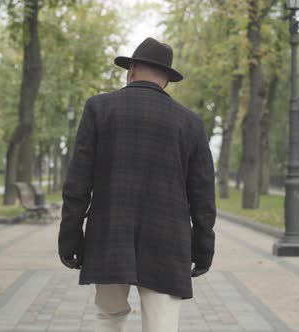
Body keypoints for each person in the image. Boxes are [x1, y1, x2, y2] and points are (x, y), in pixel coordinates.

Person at [58, 37, 216, 332]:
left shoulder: (99, 109)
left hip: (108, 234)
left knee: (109, 316)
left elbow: (77, 185)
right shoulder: (190, 123)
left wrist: (70, 239)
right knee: (161, 324)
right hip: (168, 240)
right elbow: (203, 196)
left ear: (130, 69)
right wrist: (203, 248)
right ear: (167, 79)